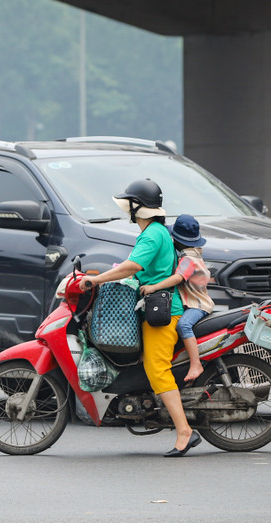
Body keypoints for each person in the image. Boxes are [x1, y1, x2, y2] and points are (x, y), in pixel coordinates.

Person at [80, 178, 201, 457]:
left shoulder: (152, 234)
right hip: (157, 307)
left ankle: (185, 432)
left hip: (164, 312)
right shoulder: (156, 232)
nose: (128, 211)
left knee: (157, 369)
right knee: (150, 365)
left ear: (139, 208)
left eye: (130, 205)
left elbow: (132, 266)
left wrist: (95, 281)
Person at [139, 214, 214, 382]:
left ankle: (196, 364)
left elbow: (178, 278)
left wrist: (154, 287)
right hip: (196, 302)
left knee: (184, 325)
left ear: (179, 240)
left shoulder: (188, 259)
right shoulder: (195, 254)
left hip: (198, 305)